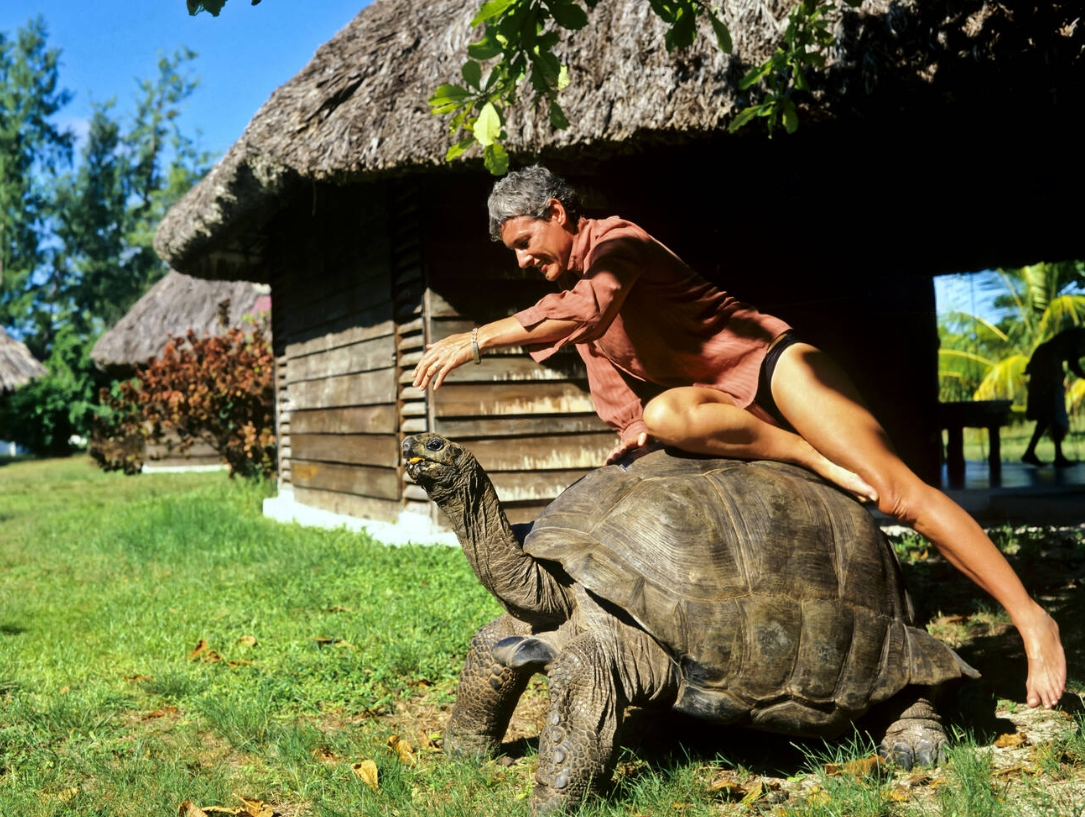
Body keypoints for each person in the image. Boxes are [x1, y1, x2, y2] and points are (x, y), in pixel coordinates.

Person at [412, 165, 1066, 710]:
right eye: (514, 253)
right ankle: (801, 454)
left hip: (775, 369)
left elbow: (588, 310)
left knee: (896, 495)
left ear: (557, 210)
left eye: (526, 241)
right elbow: (608, 374)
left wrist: (476, 337)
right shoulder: (576, 297)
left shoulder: (618, 243)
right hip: (714, 409)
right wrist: (631, 431)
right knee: (663, 419)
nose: (525, 260)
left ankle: (1032, 617)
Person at [1021, 327, 1085, 468]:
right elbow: (1073, 364)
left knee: (1047, 414)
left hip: (1043, 363)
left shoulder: (1078, 335)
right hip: (1047, 367)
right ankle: (1057, 456)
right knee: (1053, 411)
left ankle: (1032, 452)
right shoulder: (1082, 337)